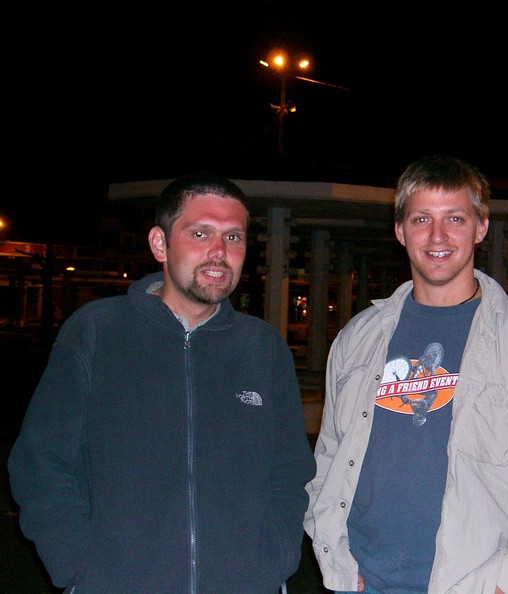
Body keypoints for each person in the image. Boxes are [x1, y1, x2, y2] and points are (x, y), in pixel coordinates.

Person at [8, 172, 316, 593]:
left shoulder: (263, 348)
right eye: (200, 233)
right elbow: (41, 462)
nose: (218, 252)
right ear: (160, 244)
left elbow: (290, 469)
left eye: (233, 237)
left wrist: (274, 559)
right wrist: (77, 565)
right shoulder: (97, 333)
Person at [304, 154, 508, 594]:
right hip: (362, 582)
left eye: (455, 218)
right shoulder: (358, 338)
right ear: (399, 230)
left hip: (479, 583)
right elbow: (328, 460)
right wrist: (336, 561)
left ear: (481, 227)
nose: (437, 236)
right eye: (420, 219)